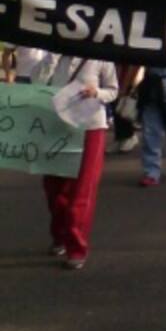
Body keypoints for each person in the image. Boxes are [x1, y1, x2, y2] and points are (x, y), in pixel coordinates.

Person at [42, 55, 118, 269]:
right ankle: (60, 234)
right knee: (53, 186)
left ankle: (76, 246)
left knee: (82, 188)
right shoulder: (56, 57)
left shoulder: (101, 58)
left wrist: (97, 93)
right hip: (58, 126)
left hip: (91, 127)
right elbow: (37, 80)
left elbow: (113, 90)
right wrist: (51, 58)